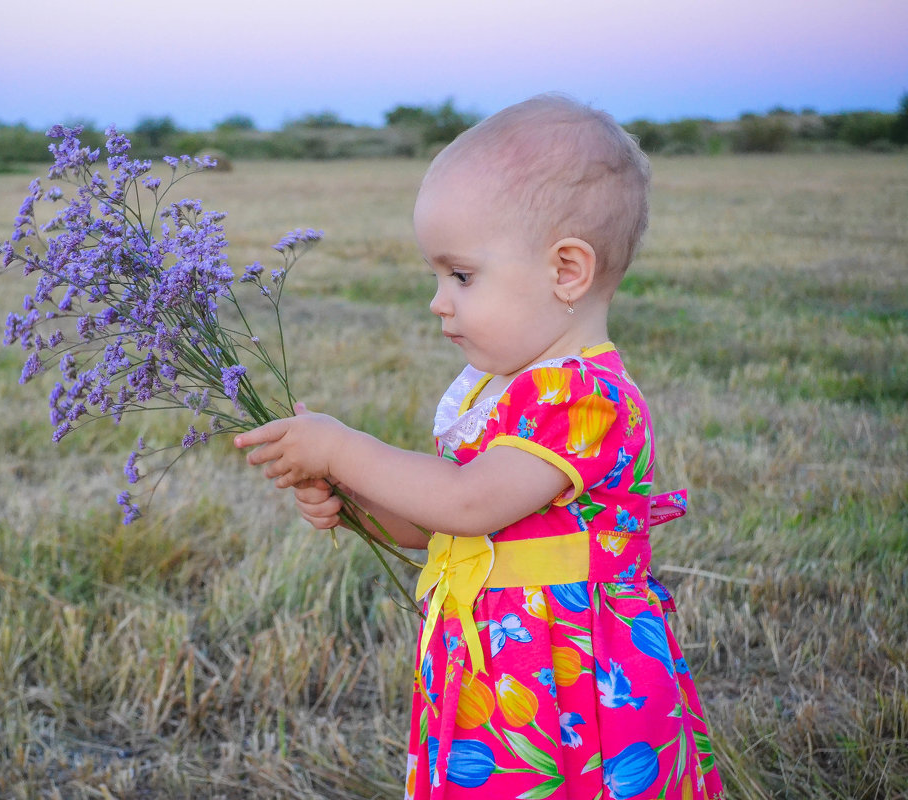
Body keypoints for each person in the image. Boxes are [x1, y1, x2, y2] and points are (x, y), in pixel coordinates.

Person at [234, 94, 724, 800]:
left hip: (567, 685)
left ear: (566, 272)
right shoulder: (500, 393)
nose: (438, 300)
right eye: (437, 277)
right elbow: (448, 528)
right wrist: (355, 506)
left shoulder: (586, 398)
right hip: (493, 671)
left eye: (461, 276)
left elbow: (467, 502)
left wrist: (345, 449)